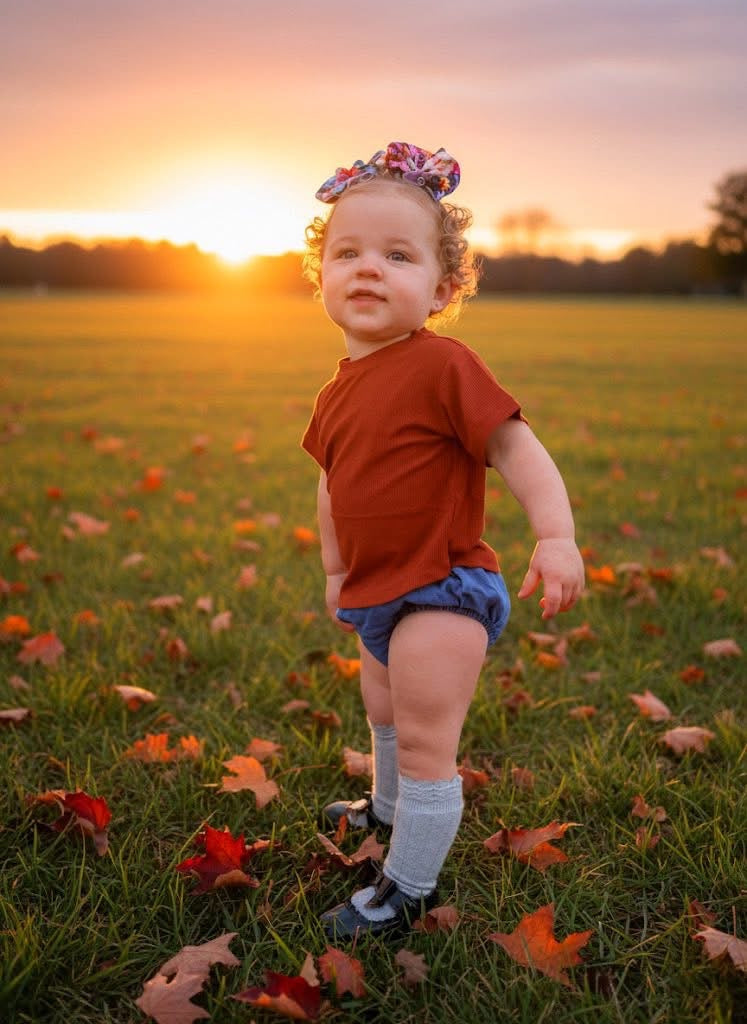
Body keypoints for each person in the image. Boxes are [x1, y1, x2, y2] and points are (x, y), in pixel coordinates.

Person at [301, 142, 585, 941]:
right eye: (346, 252)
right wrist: (333, 568)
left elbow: (515, 448)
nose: (367, 269)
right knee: (383, 710)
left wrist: (554, 536)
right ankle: (384, 808)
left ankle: (410, 887)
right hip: (375, 584)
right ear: (318, 275)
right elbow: (332, 482)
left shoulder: (444, 365)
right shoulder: (335, 390)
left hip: (442, 587)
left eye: (397, 255)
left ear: (441, 289)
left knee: (426, 737)